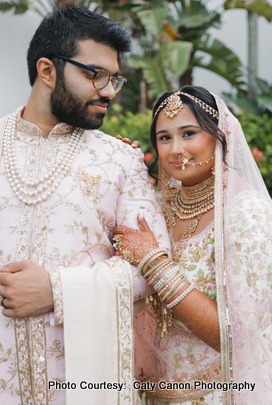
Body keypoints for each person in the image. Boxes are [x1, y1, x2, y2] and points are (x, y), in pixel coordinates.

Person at [0, 7, 171, 405]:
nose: (110, 91)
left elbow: (153, 267)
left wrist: (56, 290)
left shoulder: (120, 161)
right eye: (95, 75)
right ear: (47, 70)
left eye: (114, 78)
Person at [113, 86, 272, 405]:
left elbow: (237, 337)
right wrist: (117, 169)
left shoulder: (245, 212)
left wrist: (155, 265)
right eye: (165, 137)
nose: (175, 149)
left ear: (220, 135)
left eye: (188, 133)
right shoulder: (164, 205)